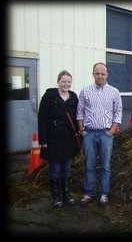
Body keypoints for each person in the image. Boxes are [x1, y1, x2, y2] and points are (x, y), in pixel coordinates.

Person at [77, 62, 122, 206]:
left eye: (103, 74)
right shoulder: (85, 91)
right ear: (93, 74)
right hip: (89, 134)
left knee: (105, 166)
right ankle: (89, 193)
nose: (100, 76)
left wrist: (112, 130)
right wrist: (82, 130)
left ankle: (104, 194)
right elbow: (80, 112)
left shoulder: (114, 92)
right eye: (97, 73)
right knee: (89, 164)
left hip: (106, 134)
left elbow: (118, 112)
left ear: (107, 75)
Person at [38, 70, 79, 208]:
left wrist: (80, 132)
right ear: (58, 81)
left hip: (68, 139)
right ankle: (56, 197)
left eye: (68, 81)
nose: (66, 84)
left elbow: (77, 117)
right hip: (53, 139)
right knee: (55, 169)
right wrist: (42, 140)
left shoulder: (73, 97)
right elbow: (42, 118)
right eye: (63, 81)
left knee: (67, 169)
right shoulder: (50, 95)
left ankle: (66, 194)